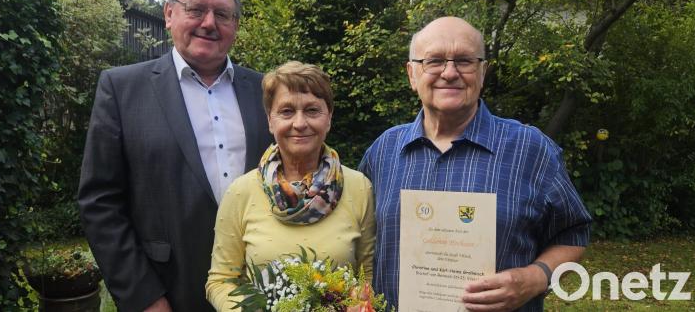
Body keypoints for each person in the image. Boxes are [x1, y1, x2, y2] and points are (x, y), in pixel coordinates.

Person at [359, 17, 591, 312]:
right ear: (412, 74)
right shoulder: (384, 151)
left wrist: (533, 279)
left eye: (465, 61)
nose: (450, 72)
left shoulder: (531, 150)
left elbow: (573, 234)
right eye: (434, 61)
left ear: (482, 72)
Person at [78, 0, 272, 311]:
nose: (209, 23)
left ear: (235, 27)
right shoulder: (122, 89)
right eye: (196, 10)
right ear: (169, 14)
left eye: (222, 14)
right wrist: (145, 298)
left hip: (257, 291)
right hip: (166, 291)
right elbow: (100, 202)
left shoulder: (265, 91)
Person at [206, 61, 376, 311]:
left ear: (328, 118)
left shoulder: (358, 188)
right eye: (286, 111)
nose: (299, 123)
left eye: (312, 110)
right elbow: (220, 281)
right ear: (270, 121)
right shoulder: (241, 192)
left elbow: (368, 276)